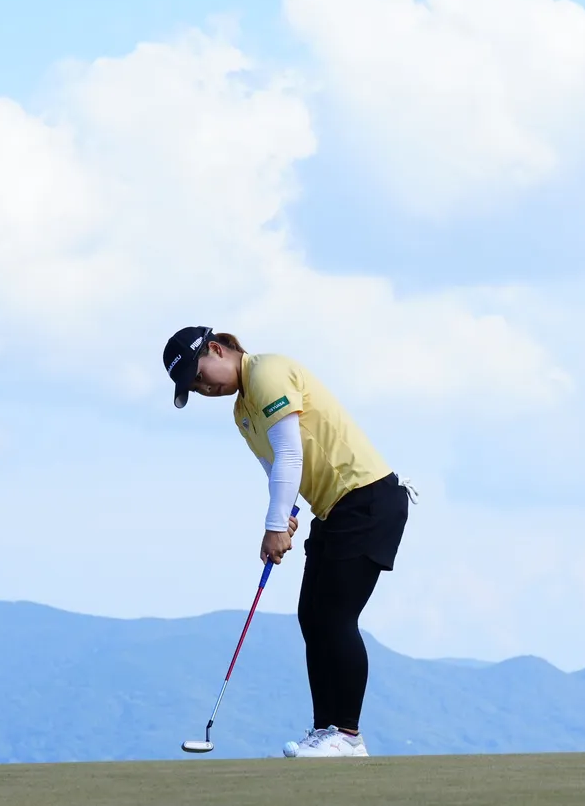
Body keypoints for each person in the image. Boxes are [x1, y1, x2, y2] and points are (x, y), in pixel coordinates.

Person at [162, 325, 415, 758]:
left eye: (199, 375)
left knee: (335, 617)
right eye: (194, 387)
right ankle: (326, 730)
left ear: (217, 349)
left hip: (368, 499)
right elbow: (276, 469)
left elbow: (291, 454)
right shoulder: (242, 412)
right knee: (311, 616)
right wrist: (285, 516)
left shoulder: (266, 372)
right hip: (335, 509)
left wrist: (275, 524)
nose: (203, 388)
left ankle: (347, 735)